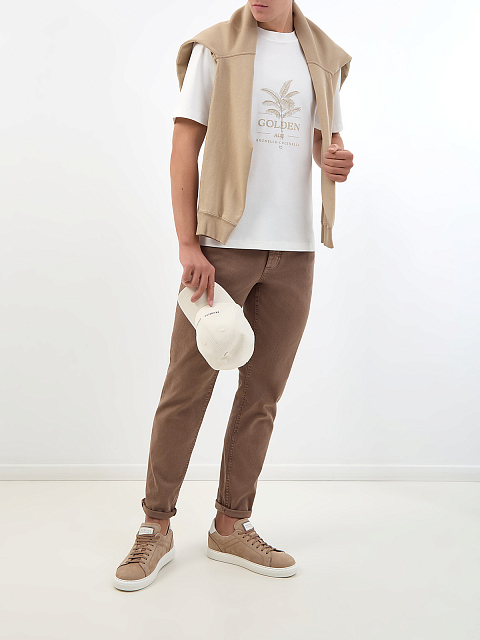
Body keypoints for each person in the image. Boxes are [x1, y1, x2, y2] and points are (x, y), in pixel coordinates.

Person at [113, 0, 354, 591]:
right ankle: (154, 525)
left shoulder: (324, 58)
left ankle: (231, 524)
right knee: (187, 387)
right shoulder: (214, 49)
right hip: (222, 246)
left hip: (295, 252)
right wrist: (187, 243)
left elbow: (324, 141)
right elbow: (183, 148)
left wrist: (336, 160)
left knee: (262, 394)